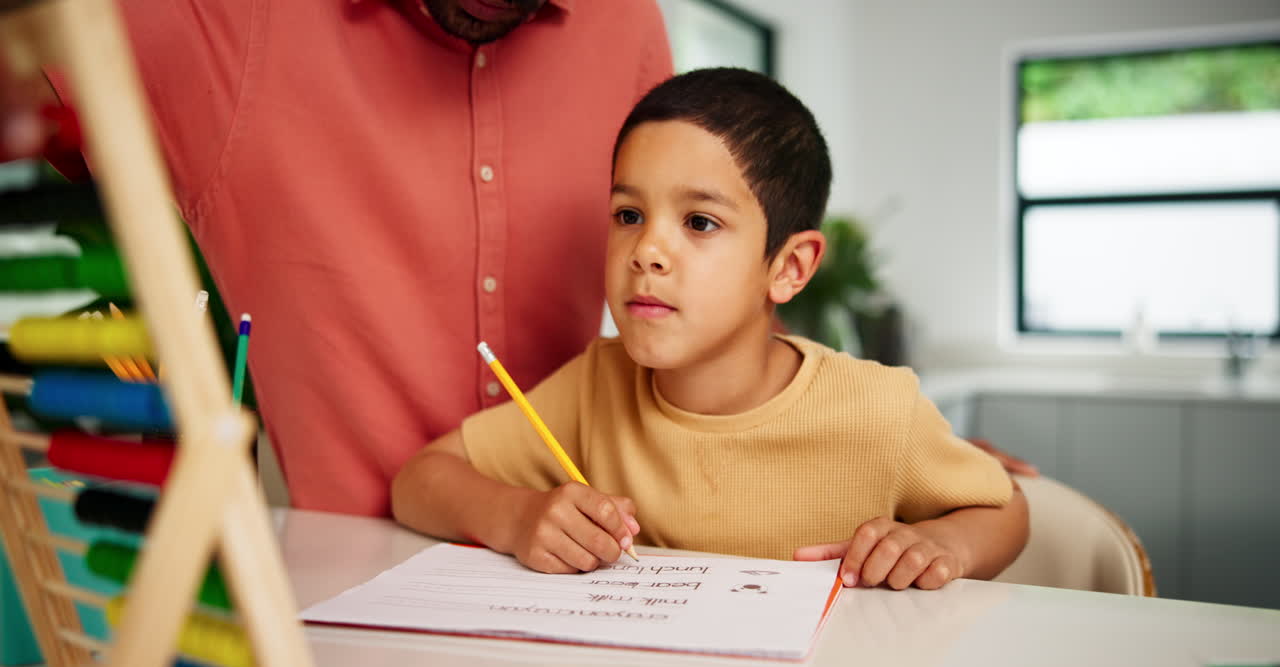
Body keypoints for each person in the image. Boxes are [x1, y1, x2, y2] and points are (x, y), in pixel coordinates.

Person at [0, 0, 674, 516]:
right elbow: (28, 67)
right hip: (331, 597)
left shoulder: (626, 22)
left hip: (584, 574)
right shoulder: (232, 21)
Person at [391, 68, 1029, 590]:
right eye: (628, 213)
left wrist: (941, 544)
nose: (646, 250)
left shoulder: (878, 408)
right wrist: (514, 516)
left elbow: (1004, 508)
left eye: (699, 222)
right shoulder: (596, 384)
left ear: (789, 267)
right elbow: (419, 482)